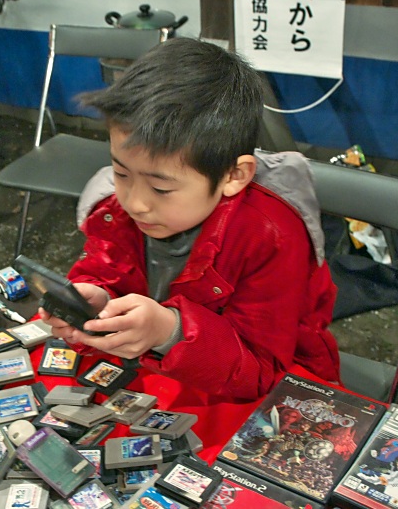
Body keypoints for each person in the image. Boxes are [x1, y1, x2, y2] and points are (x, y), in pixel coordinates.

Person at [38, 37, 340, 402]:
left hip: (261, 388)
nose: (135, 203)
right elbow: (103, 270)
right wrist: (97, 299)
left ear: (234, 176)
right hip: (152, 374)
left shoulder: (270, 234)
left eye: (160, 189)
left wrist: (172, 331)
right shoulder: (113, 210)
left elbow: (260, 373)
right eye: (120, 172)